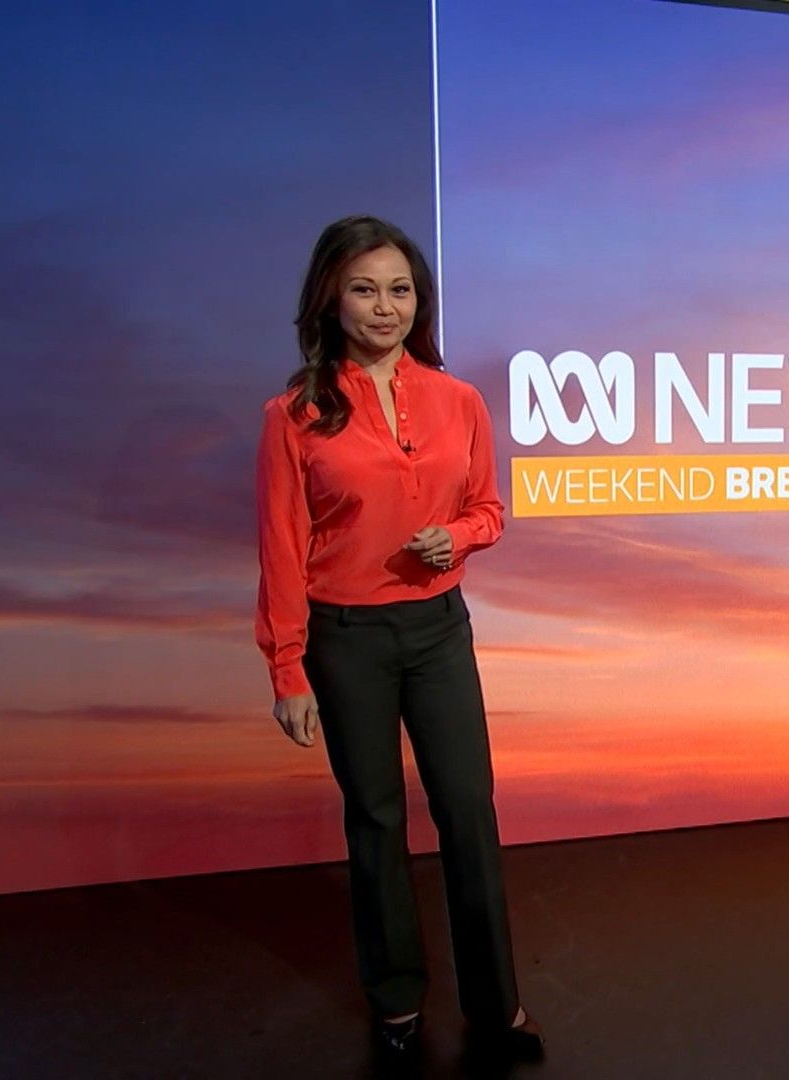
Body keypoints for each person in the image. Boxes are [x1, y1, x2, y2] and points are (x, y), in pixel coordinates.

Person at [254, 215, 543, 1057]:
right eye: (364, 289)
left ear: (420, 300)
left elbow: (490, 509)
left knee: (468, 809)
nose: (385, 307)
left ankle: (496, 1009)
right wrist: (286, 669)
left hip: (439, 629)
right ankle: (395, 1004)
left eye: (400, 289)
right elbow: (281, 548)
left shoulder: (460, 401)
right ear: (330, 299)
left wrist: (459, 537)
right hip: (345, 638)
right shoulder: (294, 415)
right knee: (376, 818)